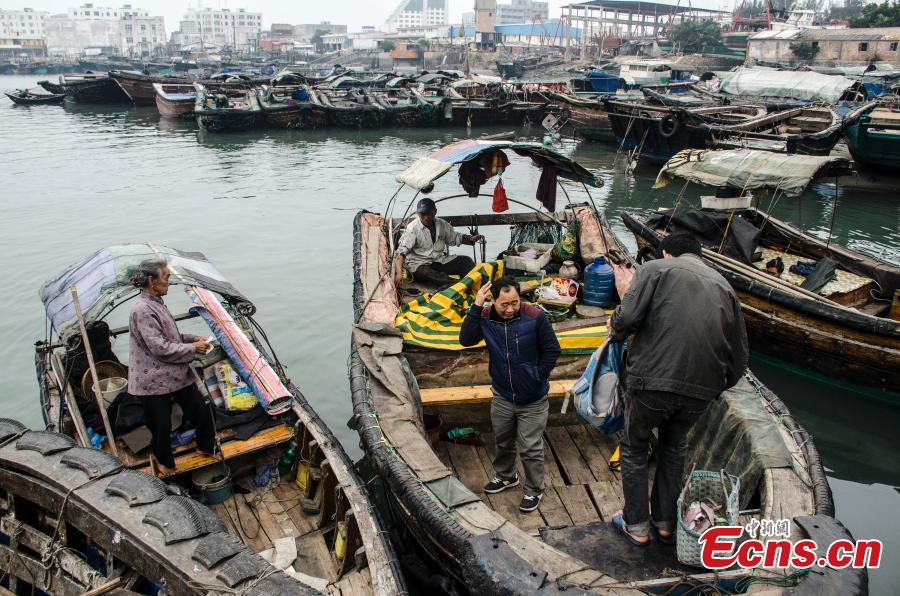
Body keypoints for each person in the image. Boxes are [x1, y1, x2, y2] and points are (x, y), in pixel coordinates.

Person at [608, 232, 748, 546]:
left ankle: (636, 526)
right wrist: (714, 388)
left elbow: (627, 317)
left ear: (666, 253)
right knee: (674, 446)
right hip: (700, 392)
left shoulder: (655, 269)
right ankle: (666, 523)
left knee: (634, 447)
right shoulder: (726, 287)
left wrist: (614, 328)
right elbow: (739, 360)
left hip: (652, 382)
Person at [459, 277, 561, 512]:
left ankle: (535, 489)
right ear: (492, 300)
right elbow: (465, 340)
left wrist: (537, 375)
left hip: (533, 398)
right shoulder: (484, 317)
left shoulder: (535, 317)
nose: (510, 309)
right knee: (503, 440)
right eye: (504, 304)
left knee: (530, 447)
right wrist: (476, 306)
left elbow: (552, 350)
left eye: (514, 302)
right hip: (503, 395)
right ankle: (507, 476)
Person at [128, 259, 216, 476]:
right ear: (151, 280)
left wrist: (191, 338)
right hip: (153, 379)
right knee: (161, 426)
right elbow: (159, 347)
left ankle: (205, 447)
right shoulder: (142, 309)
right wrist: (193, 348)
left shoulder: (156, 302)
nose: (169, 281)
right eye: (166, 277)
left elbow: (170, 336)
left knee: (202, 412)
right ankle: (165, 463)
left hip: (174, 374)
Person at [393, 198, 485, 288]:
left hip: (438, 260)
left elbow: (454, 237)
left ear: (435, 212)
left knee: (466, 261)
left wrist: (470, 239)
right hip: (418, 265)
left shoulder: (442, 224)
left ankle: (476, 282)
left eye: (429, 213)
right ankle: (460, 285)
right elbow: (400, 253)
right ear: (418, 213)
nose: (426, 217)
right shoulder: (412, 229)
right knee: (427, 273)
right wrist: (399, 274)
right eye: (422, 214)